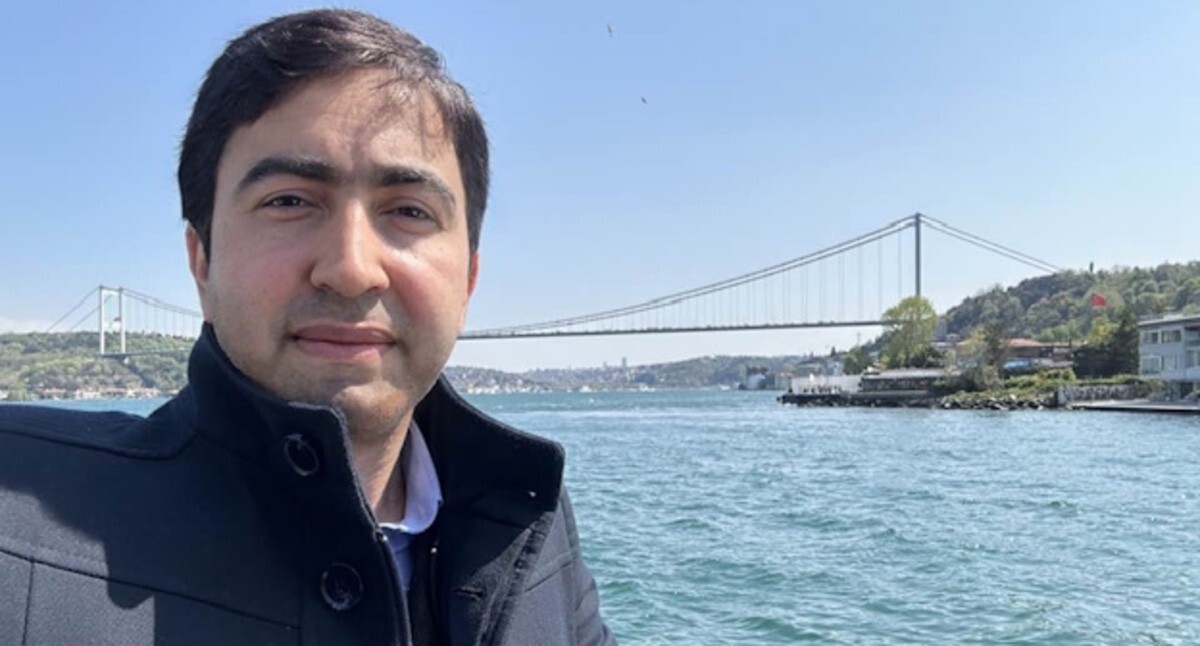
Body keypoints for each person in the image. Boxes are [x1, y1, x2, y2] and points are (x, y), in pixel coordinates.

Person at [0, 9, 614, 645]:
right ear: (201, 262)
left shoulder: (531, 524)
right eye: (289, 201)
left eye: (409, 211)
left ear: (468, 280)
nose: (351, 270)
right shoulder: (16, 530)